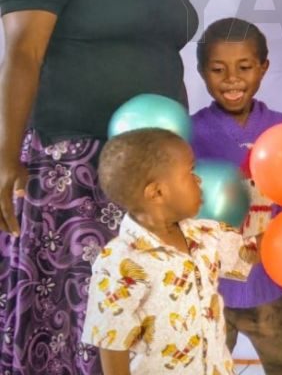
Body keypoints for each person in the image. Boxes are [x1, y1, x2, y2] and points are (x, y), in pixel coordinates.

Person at [0, 0, 199, 375]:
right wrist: (4, 156)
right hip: (76, 168)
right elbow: (22, 54)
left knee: (141, 317)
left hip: (148, 174)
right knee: (79, 317)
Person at [82, 127, 257, 374]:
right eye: (191, 171)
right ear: (157, 192)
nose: (199, 180)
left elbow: (251, 253)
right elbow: (112, 344)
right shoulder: (119, 262)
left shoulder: (206, 233)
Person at [190, 18, 282, 374]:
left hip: (268, 284)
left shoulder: (279, 126)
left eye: (244, 67)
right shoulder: (191, 131)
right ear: (201, 72)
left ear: (263, 68)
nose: (232, 80)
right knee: (205, 365)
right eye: (218, 69)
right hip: (211, 286)